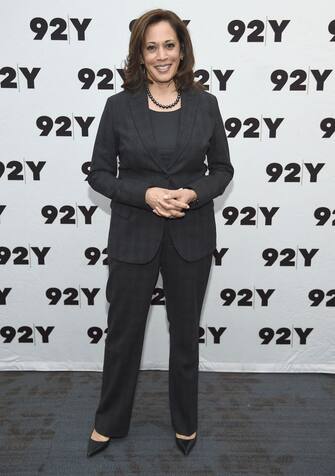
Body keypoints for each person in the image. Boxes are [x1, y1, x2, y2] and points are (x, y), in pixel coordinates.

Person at [86, 8, 234, 457]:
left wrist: (191, 193)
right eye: (151, 47)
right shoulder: (118, 105)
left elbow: (223, 170)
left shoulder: (206, 104)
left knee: (185, 334)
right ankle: (109, 420)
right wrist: (146, 194)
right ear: (140, 54)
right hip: (134, 233)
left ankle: (185, 422)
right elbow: (98, 174)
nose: (161, 54)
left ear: (183, 50)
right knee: (123, 333)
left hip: (190, 235)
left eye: (169, 44)